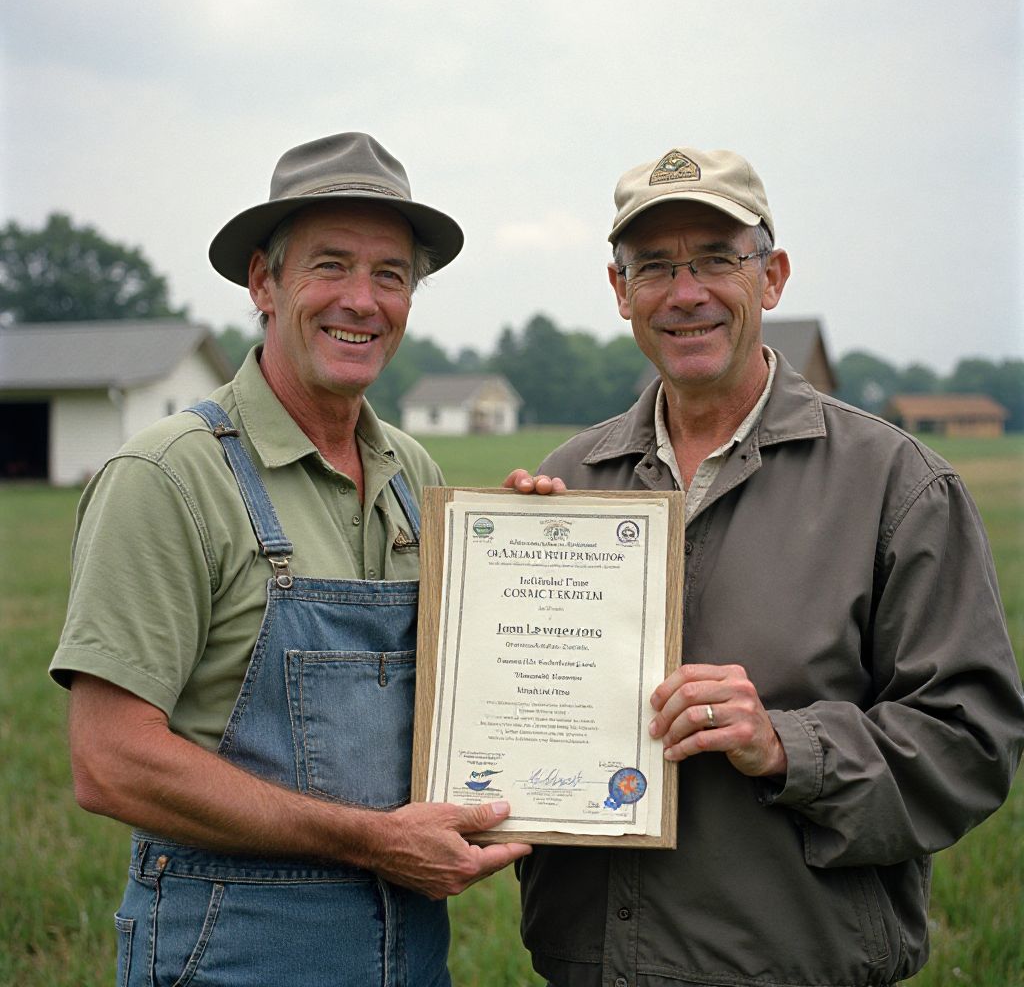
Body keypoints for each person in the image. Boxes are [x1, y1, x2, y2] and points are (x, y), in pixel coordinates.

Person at [506, 146, 1024, 987]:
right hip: (591, 966)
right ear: (619, 292)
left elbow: (972, 742)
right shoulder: (570, 480)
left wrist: (787, 744)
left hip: (795, 965)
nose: (686, 292)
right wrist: (505, 568)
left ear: (772, 277)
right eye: (655, 267)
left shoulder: (896, 485)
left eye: (717, 259)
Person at [51, 132, 529, 987]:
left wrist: (544, 557)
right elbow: (109, 760)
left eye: (390, 274)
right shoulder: (168, 476)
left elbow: (472, 686)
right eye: (331, 266)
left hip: (409, 951)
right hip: (232, 952)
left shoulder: (412, 475)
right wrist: (373, 839)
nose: (362, 299)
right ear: (263, 282)